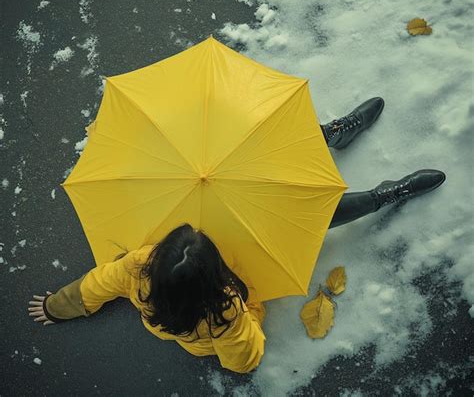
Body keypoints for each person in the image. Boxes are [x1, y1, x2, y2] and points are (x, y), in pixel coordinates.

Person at [28, 97, 446, 374]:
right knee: (297, 204)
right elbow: (245, 360)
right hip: (247, 250)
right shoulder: (226, 313)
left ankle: (333, 136)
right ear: (216, 274)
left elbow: (93, 285)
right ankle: (380, 194)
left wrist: (57, 306)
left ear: (154, 258)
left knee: (260, 158)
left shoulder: (135, 267)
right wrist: (255, 310)